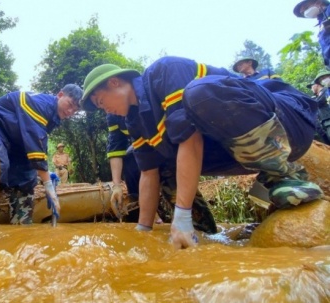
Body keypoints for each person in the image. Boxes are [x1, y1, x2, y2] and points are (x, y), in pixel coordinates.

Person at [80, 56, 323, 249]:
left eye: (101, 102)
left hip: (288, 121)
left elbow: (190, 139)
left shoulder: (164, 72)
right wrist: (143, 232)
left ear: (114, 82)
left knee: (199, 94)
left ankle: (284, 176)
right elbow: (149, 174)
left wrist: (181, 213)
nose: (105, 110)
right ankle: (200, 231)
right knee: (137, 157)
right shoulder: (135, 121)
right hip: (232, 148)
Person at [0, 84, 83, 225]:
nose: (70, 111)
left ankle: (21, 224)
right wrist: (48, 186)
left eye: (75, 110)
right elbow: (36, 145)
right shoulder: (41, 104)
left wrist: (44, 174)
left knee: (27, 178)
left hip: (16, 140)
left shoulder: (53, 115)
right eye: (70, 104)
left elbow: (37, 145)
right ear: (60, 95)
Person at [106, 113, 217, 233]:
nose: (104, 107)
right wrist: (116, 186)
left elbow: (186, 131)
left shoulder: (149, 98)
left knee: (169, 176)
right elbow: (116, 147)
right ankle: (147, 217)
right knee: (132, 158)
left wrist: (183, 214)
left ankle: (203, 228)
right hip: (151, 154)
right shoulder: (116, 116)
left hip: (184, 147)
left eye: (101, 100)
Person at [294, 0, 330, 66]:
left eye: (306, 8)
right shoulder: (321, 24)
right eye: (303, 13)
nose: (305, 13)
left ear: (318, 2)